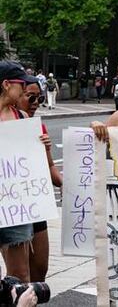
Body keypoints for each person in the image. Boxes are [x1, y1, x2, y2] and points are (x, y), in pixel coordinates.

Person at [0, 61, 52, 281]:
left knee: (20, 275)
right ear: (5, 85)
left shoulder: (21, 117)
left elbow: (31, 163)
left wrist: (42, 146)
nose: (24, 89)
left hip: (15, 205)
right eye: (20, 84)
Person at [18, 80, 62, 282]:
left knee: (39, 271)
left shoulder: (39, 127)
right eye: (31, 97)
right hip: (12, 208)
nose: (36, 102)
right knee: (20, 276)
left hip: (35, 206)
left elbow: (51, 167)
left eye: (40, 98)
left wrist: (70, 185)